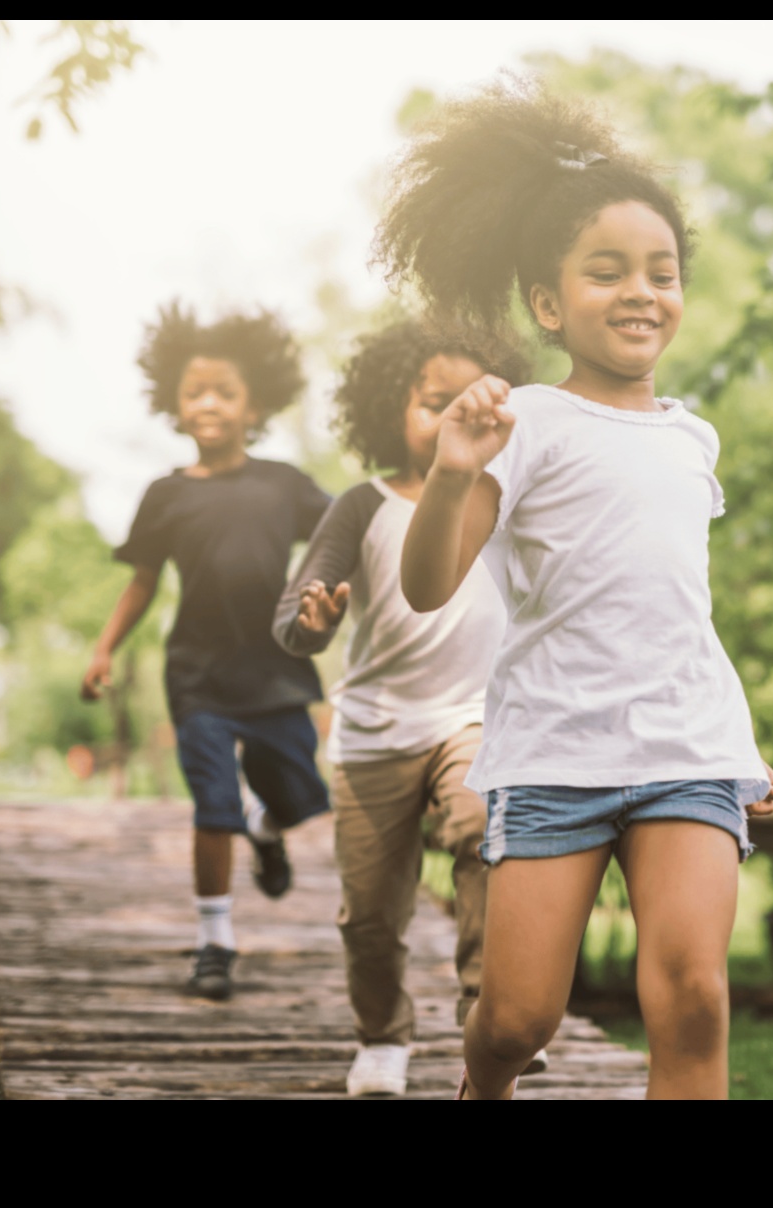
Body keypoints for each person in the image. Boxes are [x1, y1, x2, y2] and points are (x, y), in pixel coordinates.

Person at [382, 82, 773, 1100]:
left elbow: (672, 606)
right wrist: (451, 469)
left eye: (662, 270)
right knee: (518, 1017)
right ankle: (484, 1084)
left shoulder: (693, 436)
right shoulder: (524, 421)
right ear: (550, 303)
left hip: (684, 750)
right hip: (556, 751)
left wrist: (736, 740)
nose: (641, 290)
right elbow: (427, 584)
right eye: (606, 272)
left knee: (692, 996)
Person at [273, 318, 535, 1096]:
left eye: (470, 399)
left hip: (474, 718)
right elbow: (296, 609)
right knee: (371, 912)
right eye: (432, 401)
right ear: (394, 408)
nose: (452, 414)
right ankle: (382, 1035)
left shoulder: (508, 501)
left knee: (485, 836)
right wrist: (310, 620)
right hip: (376, 729)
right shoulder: (363, 504)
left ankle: (488, 1015)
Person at [81, 303, 331, 1002]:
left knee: (302, 795)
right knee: (211, 804)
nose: (210, 403)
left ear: (255, 404)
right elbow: (142, 583)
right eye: (196, 392)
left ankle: (267, 825)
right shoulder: (164, 495)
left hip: (278, 670)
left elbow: (347, 533)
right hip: (198, 677)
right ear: (175, 405)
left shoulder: (284, 483)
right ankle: (214, 942)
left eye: (225, 391)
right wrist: (103, 649)